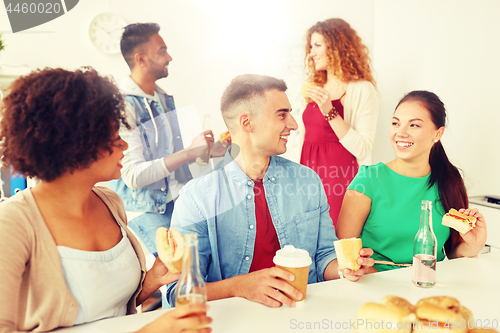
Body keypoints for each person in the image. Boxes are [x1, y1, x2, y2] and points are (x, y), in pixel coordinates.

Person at [0, 68, 211, 333]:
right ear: (76, 147)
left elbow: (109, 309)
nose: (124, 145)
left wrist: (152, 280)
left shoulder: (110, 202)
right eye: (113, 138)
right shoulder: (12, 224)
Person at [165, 74, 374, 308]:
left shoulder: (308, 181)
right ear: (247, 122)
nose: (294, 124)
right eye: (282, 114)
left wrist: (345, 268)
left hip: (303, 315)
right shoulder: (197, 197)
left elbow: (324, 257)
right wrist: (240, 286)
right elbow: (178, 292)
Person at [336, 90, 487, 272]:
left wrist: (474, 244)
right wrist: (362, 272)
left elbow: (452, 251)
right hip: (375, 282)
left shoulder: (449, 179)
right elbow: (344, 254)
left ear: (438, 133)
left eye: (414, 125)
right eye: (395, 123)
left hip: (429, 282)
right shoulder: (368, 179)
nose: (401, 132)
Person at [109, 23, 226, 255]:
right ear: (141, 59)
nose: (169, 57)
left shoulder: (162, 98)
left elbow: (170, 160)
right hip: (147, 211)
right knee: (182, 272)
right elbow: (133, 176)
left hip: (177, 200)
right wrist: (190, 152)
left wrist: (205, 151)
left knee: (208, 263)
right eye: (162, 51)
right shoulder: (124, 105)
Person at [300, 18, 379, 228]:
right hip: (308, 176)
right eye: (310, 47)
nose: (312, 53)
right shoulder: (313, 88)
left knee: (336, 243)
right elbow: (305, 139)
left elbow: (363, 149)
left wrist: (329, 111)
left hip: (339, 179)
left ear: (337, 47)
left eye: (317, 45)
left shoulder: (362, 89)